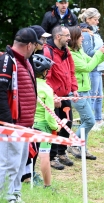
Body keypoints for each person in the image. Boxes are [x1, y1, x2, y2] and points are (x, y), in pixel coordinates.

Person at [0, 27, 41, 203]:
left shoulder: (25, 61)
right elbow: (1, 91)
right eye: (35, 45)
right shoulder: (7, 60)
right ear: (30, 45)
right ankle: (5, 196)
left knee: (20, 163)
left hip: (24, 125)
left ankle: (14, 195)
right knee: (8, 163)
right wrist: (8, 122)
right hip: (12, 125)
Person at [66, 26, 104, 160]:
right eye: (80, 36)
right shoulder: (71, 55)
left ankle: (83, 149)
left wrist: (102, 52)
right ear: (74, 38)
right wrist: (98, 54)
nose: (83, 38)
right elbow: (87, 68)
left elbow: (91, 61)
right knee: (90, 121)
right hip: (77, 92)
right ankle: (73, 143)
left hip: (86, 90)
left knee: (86, 120)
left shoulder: (79, 50)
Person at [44, 25, 79, 170]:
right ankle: (52, 157)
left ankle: (62, 152)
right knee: (55, 126)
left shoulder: (67, 51)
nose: (70, 38)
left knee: (67, 123)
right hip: (53, 96)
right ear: (58, 36)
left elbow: (71, 71)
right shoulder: (47, 52)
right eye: (67, 36)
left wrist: (74, 89)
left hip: (66, 95)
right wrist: (52, 96)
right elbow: (46, 77)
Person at [21, 25, 52, 186]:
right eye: (42, 39)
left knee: (31, 145)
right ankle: (25, 176)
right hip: (25, 110)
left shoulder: (37, 55)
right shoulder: (26, 57)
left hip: (34, 108)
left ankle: (28, 174)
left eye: (46, 39)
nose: (45, 41)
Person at [79, 8, 104, 126]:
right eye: (95, 20)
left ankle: (98, 120)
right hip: (93, 67)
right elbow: (89, 52)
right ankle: (90, 122)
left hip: (99, 67)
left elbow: (97, 48)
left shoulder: (94, 32)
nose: (97, 22)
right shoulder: (85, 33)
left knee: (99, 96)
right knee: (92, 96)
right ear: (88, 20)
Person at [33, 54, 61, 188]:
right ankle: (47, 185)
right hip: (43, 125)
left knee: (28, 155)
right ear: (45, 72)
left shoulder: (26, 85)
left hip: (28, 124)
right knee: (44, 155)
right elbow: (50, 114)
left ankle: (27, 179)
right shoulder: (47, 89)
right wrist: (56, 127)